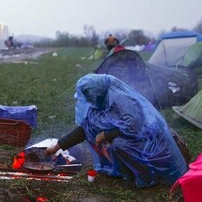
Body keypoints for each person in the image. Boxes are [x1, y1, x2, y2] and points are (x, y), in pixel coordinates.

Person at [44, 74, 187, 188]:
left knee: (119, 145)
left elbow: (135, 127)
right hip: (131, 138)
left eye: (88, 97)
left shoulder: (121, 99)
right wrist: (57, 147)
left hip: (148, 141)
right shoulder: (98, 102)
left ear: (97, 92)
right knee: (113, 142)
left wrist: (106, 134)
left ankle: (147, 177)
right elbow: (85, 129)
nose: (87, 101)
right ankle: (128, 172)